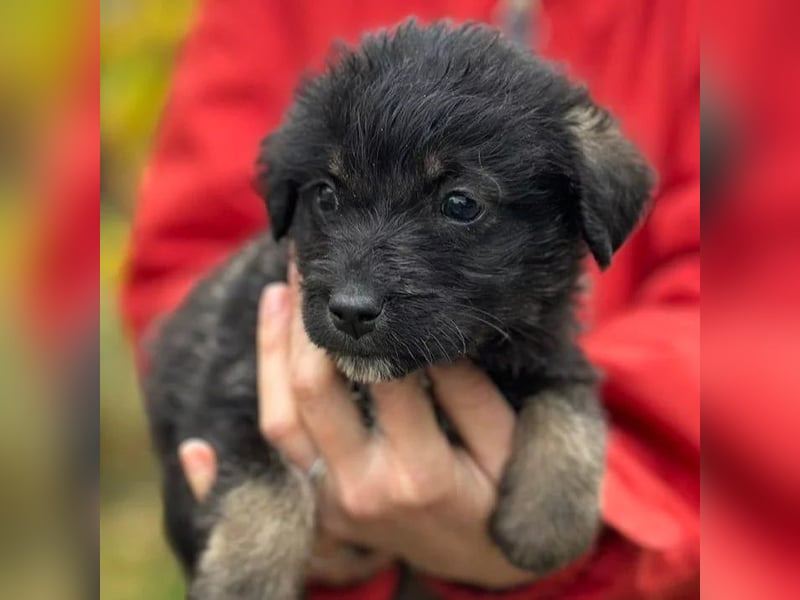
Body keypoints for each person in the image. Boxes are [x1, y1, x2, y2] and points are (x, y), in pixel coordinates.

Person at [121, 0, 700, 598]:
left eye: (459, 206)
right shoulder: (267, 299)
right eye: (329, 198)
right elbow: (185, 303)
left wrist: (598, 509)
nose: (352, 292)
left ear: (577, 211)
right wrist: (272, 527)